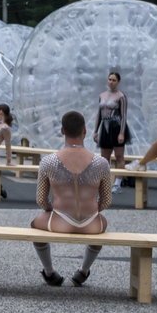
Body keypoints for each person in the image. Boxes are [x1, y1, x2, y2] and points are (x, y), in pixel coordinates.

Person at [29, 111, 111, 287]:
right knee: (103, 221)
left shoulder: (49, 162)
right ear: (85, 131)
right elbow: (106, 201)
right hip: (92, 224)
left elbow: (41, 200)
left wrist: (51, 209)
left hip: (59, 221)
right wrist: (94, 210)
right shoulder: (101, 162)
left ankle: (49, 272)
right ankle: (83, 270)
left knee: (35, 224)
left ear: (62, 131)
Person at [95, 71, 130, 190]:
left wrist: (121, 132)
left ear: (118, 82)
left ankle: (118, 183)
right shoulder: (102, 95)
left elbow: (124, 115)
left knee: (119, 156)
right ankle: (104, 182)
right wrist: (95, 131)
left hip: (116, 126)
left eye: (114, 80)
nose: (111, 82)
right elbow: (99, 114)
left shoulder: (121, 96)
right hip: (105, 128)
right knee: (104, 158)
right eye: (110, 79)